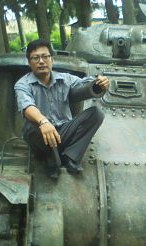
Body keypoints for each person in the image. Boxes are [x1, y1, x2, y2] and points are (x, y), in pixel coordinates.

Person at [15, 39, 109, 179]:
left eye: (45, 56)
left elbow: (86, 83)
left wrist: (100, 83)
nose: (41, 61)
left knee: (96, 114)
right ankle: (51, 158)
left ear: (51, 59)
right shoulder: (23, 84)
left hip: (63, 132)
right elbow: (26, 105)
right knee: (30, 126)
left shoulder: (65, 79)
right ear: (29, 62)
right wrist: (43, 122)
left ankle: (70, 156)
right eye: (36, 58)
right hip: (41, 137)